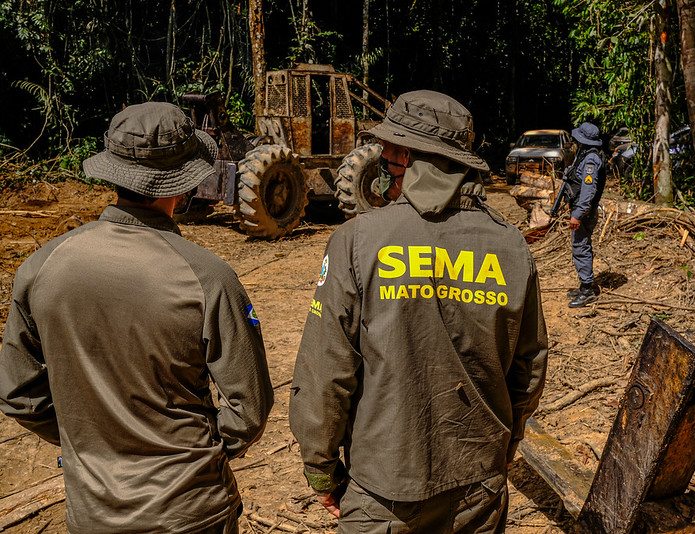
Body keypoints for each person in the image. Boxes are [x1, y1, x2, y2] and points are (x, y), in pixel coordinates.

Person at [0, 102, 273, 533]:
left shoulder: (40, 267)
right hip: (190, 510)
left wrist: (89, 440)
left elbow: (18, 395)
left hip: (93, 512)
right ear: (182, 184)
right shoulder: (208, 277)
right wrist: (198, 454)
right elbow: (251, 409)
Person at [289, 90, 548, 533]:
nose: (382, 155)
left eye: (388, 147)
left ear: (408, 154)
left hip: (384, 494)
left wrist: (321, 467)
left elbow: (325, 372)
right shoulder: (510, 246)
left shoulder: (358, 241)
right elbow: (529, 367)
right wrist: (506, 445)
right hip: (478, 486)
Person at [564, 122, 606, 308]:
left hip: (584, 213)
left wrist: (578, 214)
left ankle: (587, 291)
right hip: (580, 210)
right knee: (580, 246)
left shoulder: (590, 160)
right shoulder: (584, 155)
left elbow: (588, 191)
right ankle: (584, 286)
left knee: (581, 248)